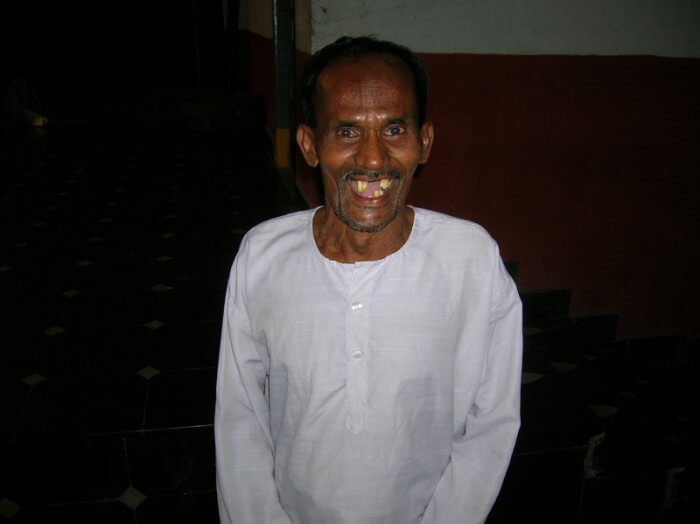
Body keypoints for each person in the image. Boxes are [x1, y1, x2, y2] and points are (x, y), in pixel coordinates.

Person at [215, 36, 522, 524]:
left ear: (425, 141)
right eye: (347, 131)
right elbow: (240, 417)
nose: (374, 159)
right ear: (310, 146)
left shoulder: (472, 261)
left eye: (394, 129)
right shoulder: (262, 257)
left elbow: (491, 424)